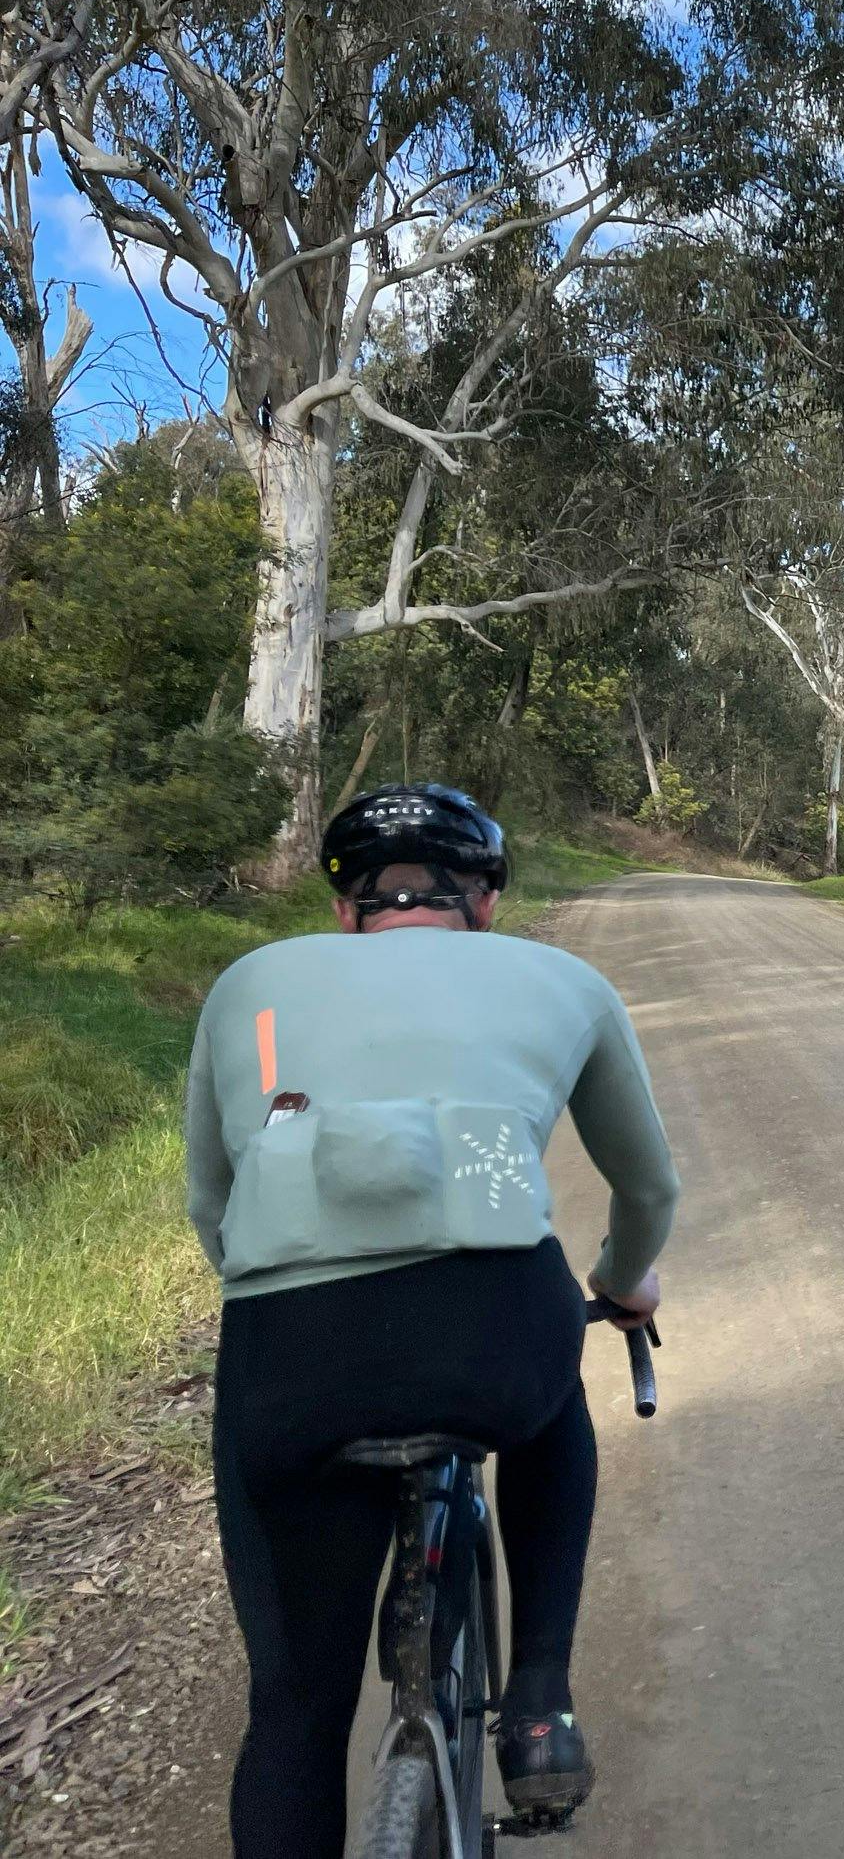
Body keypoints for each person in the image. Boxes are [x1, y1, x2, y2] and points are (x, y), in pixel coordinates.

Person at [184, 784, 678, 1856]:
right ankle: (540, 1699)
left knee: (293, 1715)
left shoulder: (245, 985)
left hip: (292, 1357)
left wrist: (283, 1294)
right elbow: (648, 1194)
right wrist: (625, 1280)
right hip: (493, 1336)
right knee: (552, 1394)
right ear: (488, 899)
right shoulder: (565, 979)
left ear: (344, 908)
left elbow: (209, 1210)